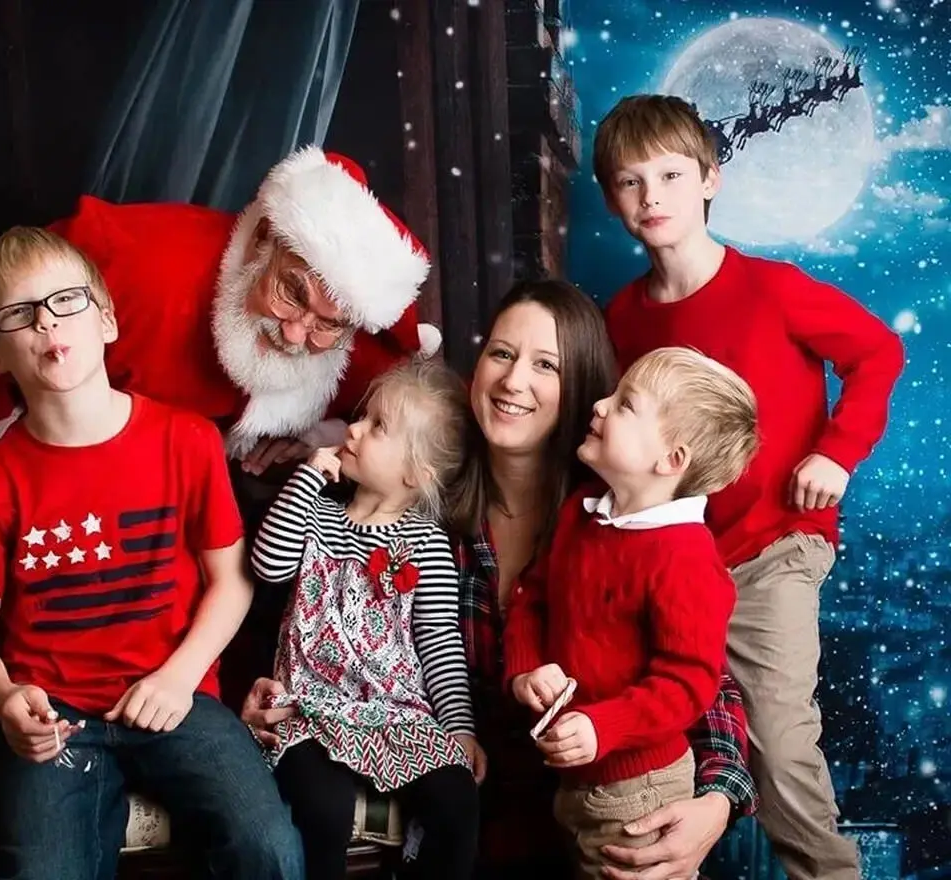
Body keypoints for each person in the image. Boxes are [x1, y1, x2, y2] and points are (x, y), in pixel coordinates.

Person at [244, 281, 760, 880]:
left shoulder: (623, 515)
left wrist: (719, 800)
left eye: (546, 365)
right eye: (501, 353)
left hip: (604, 808)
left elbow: (697, 675)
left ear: (587, 389)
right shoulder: (417, 507)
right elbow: (307, 599)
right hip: (470, 817)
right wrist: (270, 690)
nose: (514, 382)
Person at [594, 94, 905, 880]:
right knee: (649, 734)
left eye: (670, 174)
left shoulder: (771, 288)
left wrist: (837, 451)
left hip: (776, 548)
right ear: (611, 200)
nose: (652, 196)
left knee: (777, 735)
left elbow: (875, 353)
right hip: (675, 562)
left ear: (710, 180)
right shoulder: (620, 321)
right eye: (631, 183)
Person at [0, 227, 302, 880]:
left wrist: (179, 675)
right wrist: (4, 698)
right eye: (20, 313)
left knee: (269, 848)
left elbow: (231, 581)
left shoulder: (185, 441)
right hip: (55, 722)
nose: (48, 320)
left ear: (105, 318)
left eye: (66, 300)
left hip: (176, 696)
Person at [0, 146, 443, 560]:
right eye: (292, 293)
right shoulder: (137, 269)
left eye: (330, 325)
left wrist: (312, 439)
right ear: (261, 242)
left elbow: (433, 432)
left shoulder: (360, 356)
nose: (298, 335)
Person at [506, 346, 759, 878]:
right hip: (569, 784)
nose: (598, 405)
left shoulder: (687, 559)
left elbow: (690, 682)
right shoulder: (582, 513)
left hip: (638, 792)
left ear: (671, 460)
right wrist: (526, 669)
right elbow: (533, 597)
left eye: (625, 405)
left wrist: (605, 726)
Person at [249, 361, 481, 880]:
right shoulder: (316, 514)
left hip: (394, 710)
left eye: (378, 427)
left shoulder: (426, 541)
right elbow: (267, 564)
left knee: (457, 799)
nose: (352, 430)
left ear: (415, 473)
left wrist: (460, 728)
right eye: (363, 417)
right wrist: (308, 476)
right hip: (308, 706)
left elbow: (440, 644)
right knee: (324, 807)